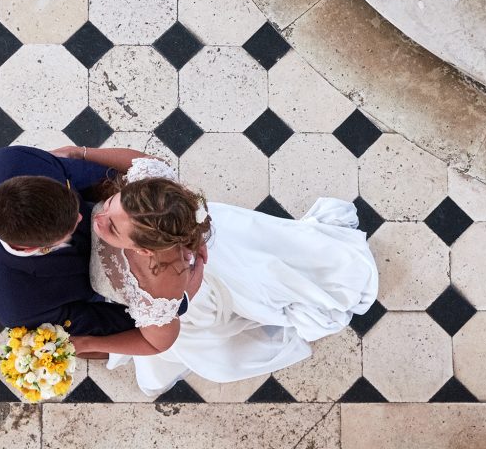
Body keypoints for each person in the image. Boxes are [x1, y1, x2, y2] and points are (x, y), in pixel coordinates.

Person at [69, 153, 379, 395]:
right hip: (211, 236)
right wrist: (82, 153)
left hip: (202, 291)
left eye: (112, 227)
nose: (100, 218)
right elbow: (148, 164)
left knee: (220, 348)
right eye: (110, 204)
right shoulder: (155, 201)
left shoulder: (160, 290)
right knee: (263, 253)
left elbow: (157, 344)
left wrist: (86, 343)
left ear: (145, 251)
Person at [0, 145, 192, 340]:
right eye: (69, 228)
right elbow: (107, 321)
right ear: (30, 248)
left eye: (71, 200)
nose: (83, 217)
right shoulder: (19, 305)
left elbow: (93, 175)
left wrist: (155, 216)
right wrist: (165, 302)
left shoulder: (15, 159)